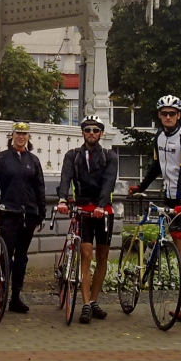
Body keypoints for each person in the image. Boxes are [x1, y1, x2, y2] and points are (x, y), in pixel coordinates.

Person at [127, 95, 181, 325]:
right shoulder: (159, 137)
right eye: (164, 113)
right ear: (159, 115)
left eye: (172, 113)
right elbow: (157, 166)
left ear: (178, 115)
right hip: (170, 199)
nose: (168, 117)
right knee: (180, 255)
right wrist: (142, 186)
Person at [57, 114, 118, 324]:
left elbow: (109, 182)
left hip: (103, 210)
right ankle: (84, 304)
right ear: (82, 133)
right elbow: (65, 178)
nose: (91, 133)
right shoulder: (73, 155)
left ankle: (93, 300)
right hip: (82, 209)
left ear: (101, 133)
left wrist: (101, 205)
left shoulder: (110, 156)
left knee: (102, 256)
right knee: (85, 254)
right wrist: (62, 199)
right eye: (87, 130)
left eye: (95, 130)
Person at [0, 121, 47, 314]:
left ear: (28, 137)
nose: (21, 137)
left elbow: (40, 188)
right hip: (9, 213)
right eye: (18, 133)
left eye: (24, 134)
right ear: (12, 136)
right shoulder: (2, 158)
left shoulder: (33, 160)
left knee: (21, 258)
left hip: (29, 214)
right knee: (5, 256)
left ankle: (16, 297)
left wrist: (41, 214)